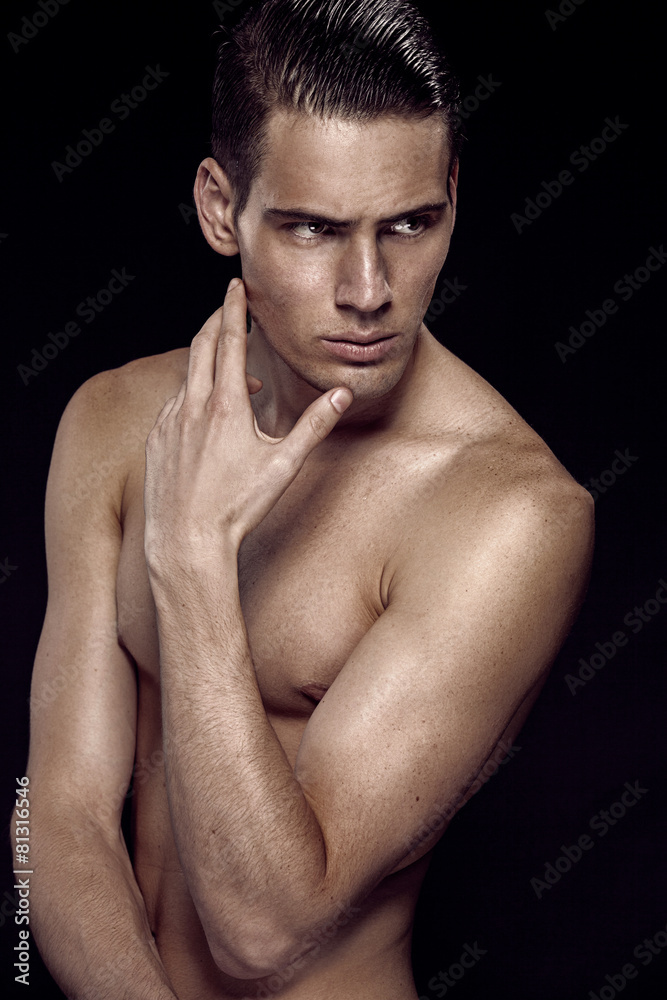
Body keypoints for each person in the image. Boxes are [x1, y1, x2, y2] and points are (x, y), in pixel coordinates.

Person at [14, 1, 594, 997]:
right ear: (219, 208)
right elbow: (54, 815)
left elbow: (266, 930)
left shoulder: (509, 515)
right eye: (314, 229)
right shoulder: (112, 422)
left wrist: (191, 558)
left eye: (409, 224)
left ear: (453, 196)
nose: (368, 289)